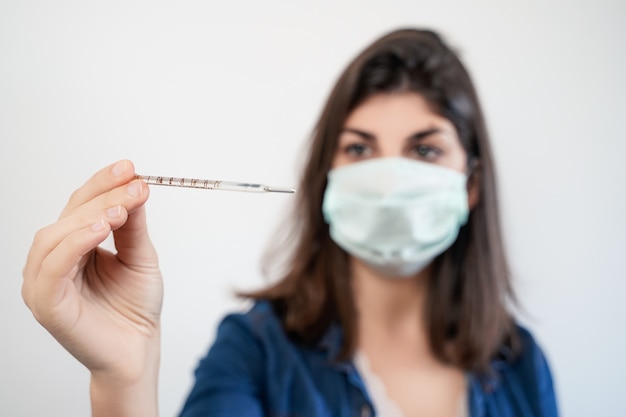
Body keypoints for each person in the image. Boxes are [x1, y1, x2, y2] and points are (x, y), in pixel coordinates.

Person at [22, 28, 559, 417]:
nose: (391, 178)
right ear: (326, 177)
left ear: (470, 186)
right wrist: (125, 378)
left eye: (424, 149)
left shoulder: (520, 365)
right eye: (359, 149)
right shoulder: (255, 352)